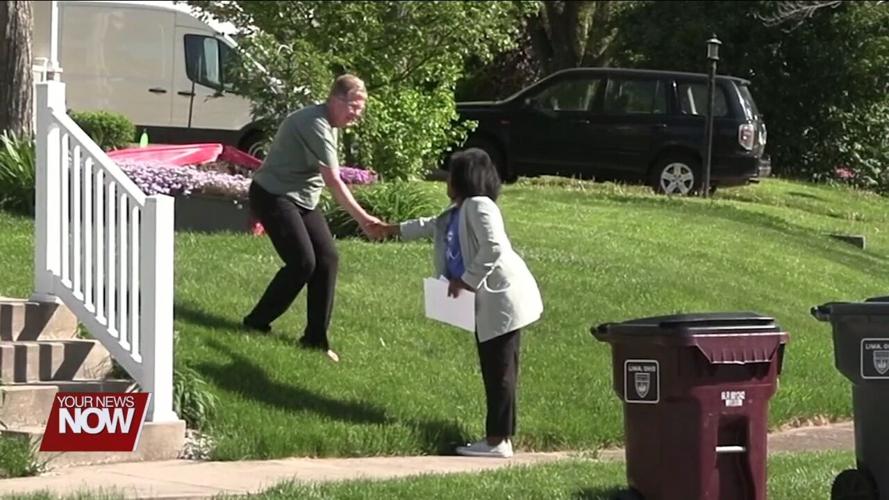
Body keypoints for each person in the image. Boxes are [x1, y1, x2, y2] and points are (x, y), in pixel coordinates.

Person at [373, 148, 544, 458]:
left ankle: (498, 441)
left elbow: (493, 248)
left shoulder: (479, 206)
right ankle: (498, 438)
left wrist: (465, 280)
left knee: (500, 371)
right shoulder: (460, 209)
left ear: (465, 178)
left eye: (451, 174)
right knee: (495, 369)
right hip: (489, 302)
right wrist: (390, 230)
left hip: (503, 300)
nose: (446, 181)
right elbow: (431, 224)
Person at [243, 74, 381, 363]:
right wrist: (364, 219)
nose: (357, 113)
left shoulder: (332, 124)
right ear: (335, 99)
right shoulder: (314, 123)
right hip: (273, 194)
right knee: (303, 263)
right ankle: (257, 322)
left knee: (327, 259)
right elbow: (333, 179)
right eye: (354, 105)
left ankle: (315, 339)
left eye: (361, 108)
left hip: (302, 200)